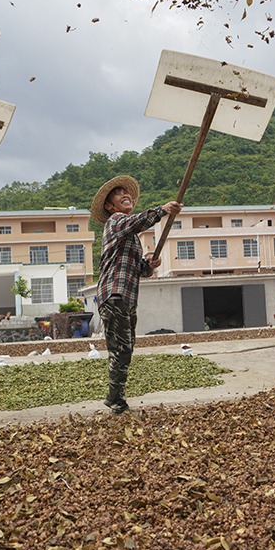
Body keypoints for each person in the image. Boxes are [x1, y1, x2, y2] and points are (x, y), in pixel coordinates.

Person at [92, 175, 182, 415]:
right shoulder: (116, 222)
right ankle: (116, 401)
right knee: (121, 349)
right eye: (118, 193)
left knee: (126, 348)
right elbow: (140, 221)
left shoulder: (130, 235)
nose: (125, 195)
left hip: (127, 298)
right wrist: (162, 210)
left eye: (126, 192)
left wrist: (149, 263)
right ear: (110, 205)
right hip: (114, 295)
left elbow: (140, 271)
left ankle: (115, 398)